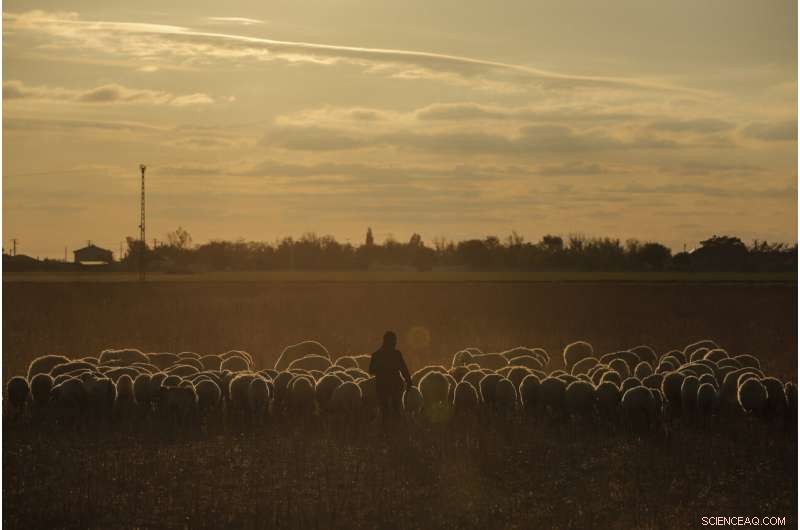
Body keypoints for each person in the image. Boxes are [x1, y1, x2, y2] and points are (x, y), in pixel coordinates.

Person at [368, 331, 413, 419]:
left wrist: (408, 381)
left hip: (382, 385)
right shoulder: (396, 354)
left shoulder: (377, 355)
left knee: (386, 409)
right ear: (389, 341)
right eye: (393, 341)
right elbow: (403, 368)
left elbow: (371, 371)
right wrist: (408, 381)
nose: (395, 343)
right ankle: (393, 428)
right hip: (393, 384)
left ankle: (388, 429)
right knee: (394, 408)